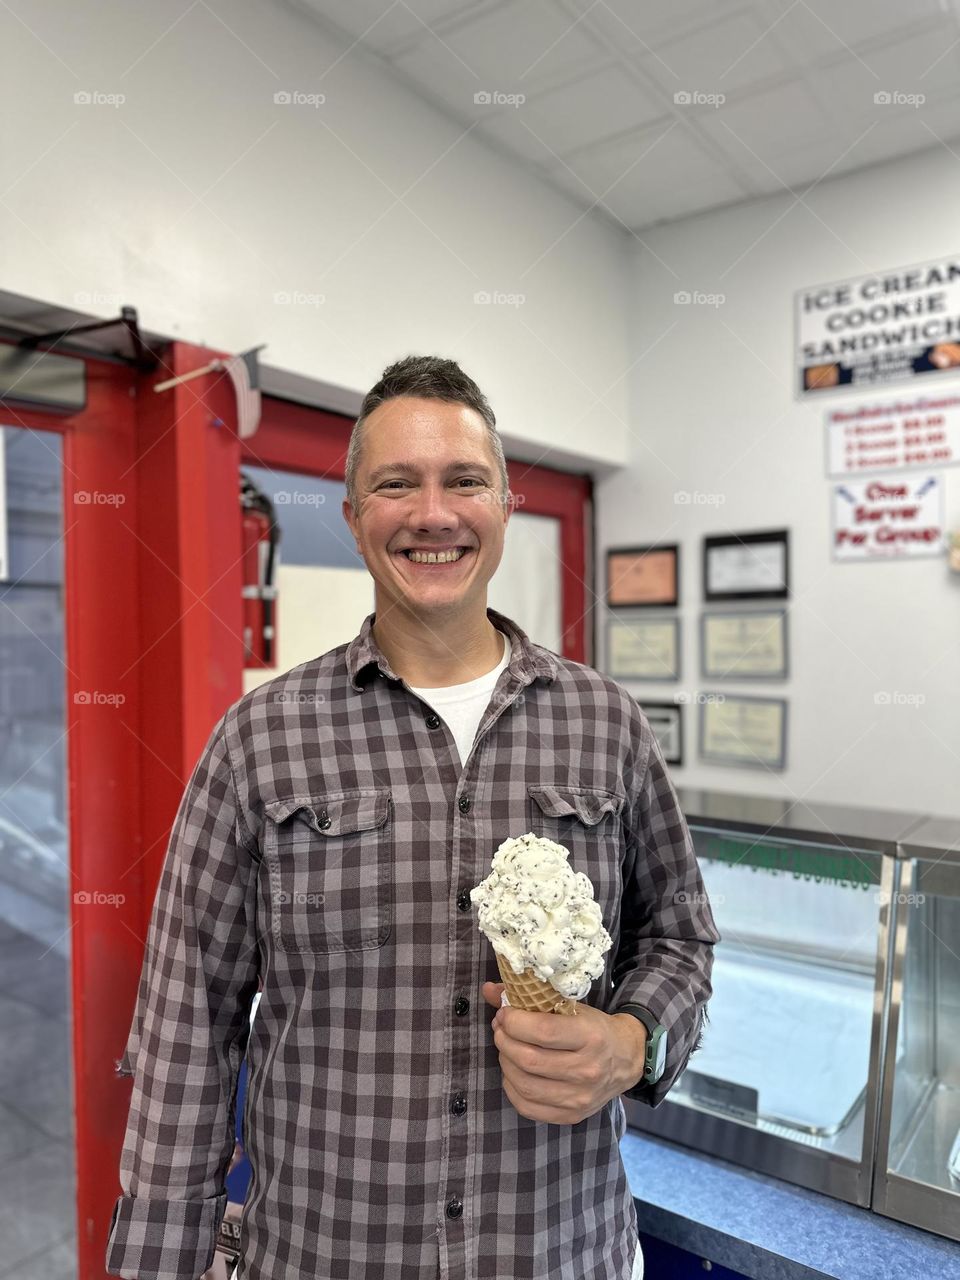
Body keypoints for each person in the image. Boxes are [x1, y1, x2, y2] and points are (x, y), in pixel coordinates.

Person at [105, 355, 719, 1280]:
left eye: (464, 480)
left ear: (504, 506)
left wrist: (634, 1042)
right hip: (324, 1254)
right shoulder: (260, 739)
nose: (434, 513)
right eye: (397, 484)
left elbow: (681, 939)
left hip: (560, 1252)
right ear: (354, 517)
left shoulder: (606, 724)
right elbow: (186, 1023)